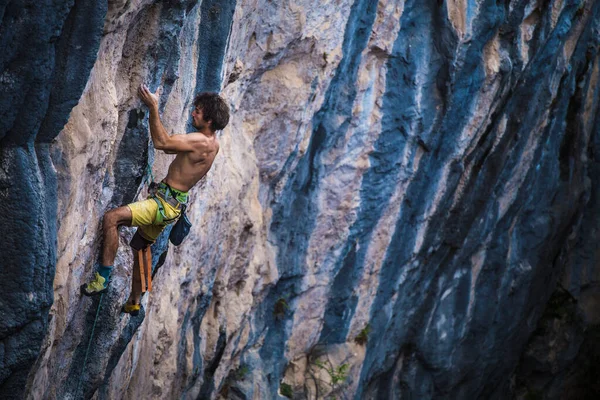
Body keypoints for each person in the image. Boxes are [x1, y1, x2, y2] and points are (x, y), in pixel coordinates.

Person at [81, 85, 229, 315]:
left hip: (162, 205)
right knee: (140, 246)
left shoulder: (201, 141)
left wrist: (153, 106)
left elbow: (162, 143)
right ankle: (134, 301)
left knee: (112, 218)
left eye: (198, 111)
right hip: (171, 205)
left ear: (209, 120)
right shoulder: (214, 144)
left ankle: (101, 279)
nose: (193, 114)